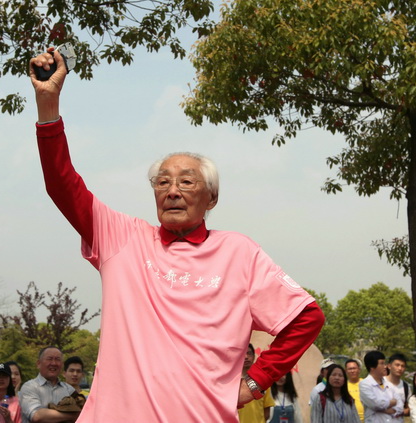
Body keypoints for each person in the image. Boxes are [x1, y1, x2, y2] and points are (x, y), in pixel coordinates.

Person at [29, 47, 325, 422]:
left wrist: (255, 381)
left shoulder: (239, 252)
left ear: (211, 197)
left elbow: (307, 317)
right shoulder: (122, 237)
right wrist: (48, 106)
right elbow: (62, 185)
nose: (172, 191)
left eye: (186, 182)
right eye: (162, 182)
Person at [18, 347, 77, 423]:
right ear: (38, 364)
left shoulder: (69, 390)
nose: (54, 363)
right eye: (49, 359)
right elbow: (37, 416)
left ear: (62, 365)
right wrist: (72, 415)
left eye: (58, 359)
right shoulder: (29, 387)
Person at [359, 351, 403, 423]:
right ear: (372, 367)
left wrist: (390, 410)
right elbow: (376, 404)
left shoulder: (389, 384)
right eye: (382, 363)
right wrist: (392, 402)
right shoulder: (365, 384)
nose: (385, 366)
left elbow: (400, 405)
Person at [238, 344, 275, 422]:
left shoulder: (262, 380)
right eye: (243, 353)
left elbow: (267, 410)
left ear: (254, 356)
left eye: (249, 353)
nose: (246, 357)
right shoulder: (232, 382)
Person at [383, 354, 409, 421]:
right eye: (397, 365)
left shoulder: (406, 387)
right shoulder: (380, 383)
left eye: (402, 366)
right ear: (389, 366)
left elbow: (409, 408)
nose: (400, 368)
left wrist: (400, 412)